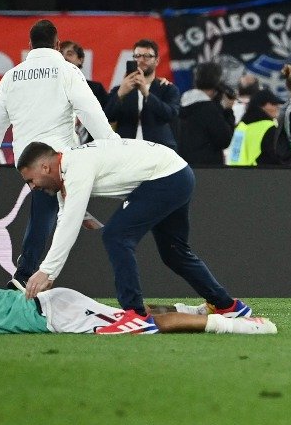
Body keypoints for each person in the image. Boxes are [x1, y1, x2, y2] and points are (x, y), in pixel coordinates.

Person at [16, 138, 253, 335]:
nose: (32, 187)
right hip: (178, 173)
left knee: (115, 236)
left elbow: (68, 222)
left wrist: (48, 270)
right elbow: (67, 214)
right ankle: (227, 306)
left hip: (166, 177)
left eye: (30, 180)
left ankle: (136, 316)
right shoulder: (68, 166)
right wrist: (81, 216)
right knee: (174, 252)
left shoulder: (76, 166)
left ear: (45, 168)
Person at [0, 20, 118, 288]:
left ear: (29, 45)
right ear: (57, 44)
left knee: (47, 206)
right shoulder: (67, 71)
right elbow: (90, 110)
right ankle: (26, 273)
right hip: (58, 159)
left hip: (27, 162)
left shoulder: (12, 76)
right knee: (47, 210)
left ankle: (71, 213)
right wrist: (112, 144)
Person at [0, 284, 275, 336]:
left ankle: (241, 326)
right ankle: (195, 310)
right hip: (54, 308)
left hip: (55, 314)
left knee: (142, 327)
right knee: (131, 314)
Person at [104, 39, 181, 148]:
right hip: (126, 149)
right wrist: (120, 94)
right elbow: (106, 118)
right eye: (137, 56)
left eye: (147, 56)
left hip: (159, 149)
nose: (141, 60)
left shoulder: (168, 89)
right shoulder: (121, 89)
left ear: (157, 60)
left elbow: (170, 115)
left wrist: (147, 93)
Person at [177, 61, 235, 166]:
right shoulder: (209, 110)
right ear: (217, 83)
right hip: (208, 169)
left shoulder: (181, 104)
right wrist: (228, 111)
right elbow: (224, 140)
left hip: (184, 167)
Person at [227, 89, 284, 167]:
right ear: (262, 106)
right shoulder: (268, 127)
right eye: (273, 103)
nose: (277, 107)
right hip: (258, 174)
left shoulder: (241, 126)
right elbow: (274, 156)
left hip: (233, 172)